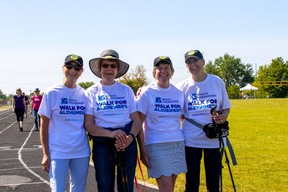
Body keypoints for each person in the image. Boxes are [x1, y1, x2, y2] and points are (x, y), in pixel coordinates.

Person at [84, 49, 141, 192]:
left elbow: (137, 120)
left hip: (126, 140)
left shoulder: (126, 90)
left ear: (117, 70)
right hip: (103, 141)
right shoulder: (91, 92)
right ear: (99, 68)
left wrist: (130, 138)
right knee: (104, 186)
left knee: (126, 187)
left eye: (113, 66)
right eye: (105, 65)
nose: (109, 69)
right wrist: (111, 134)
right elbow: (89, 125)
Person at [177, 50, 231, 192]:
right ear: (186, 66)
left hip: (214, 139)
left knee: (213, 182)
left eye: (196, 60)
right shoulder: (182, 86)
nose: (193, 64)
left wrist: (223, 117)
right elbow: (180, 114)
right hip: (190, 140)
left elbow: (226, 108)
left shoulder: (216, 81)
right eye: (189, 62)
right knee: (192, 182)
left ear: (203, 62)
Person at [38, 54, 90, 192]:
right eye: (69, 66)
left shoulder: (84, 94)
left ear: (81, 71)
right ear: (63, 68)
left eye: (77, 67)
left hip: (81, 151)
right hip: (58, 152)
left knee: (78, 190)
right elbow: (43, 126)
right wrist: (45, 154)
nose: (73, 70)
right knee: (58, 189)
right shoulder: (52, 93)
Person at [136, 56, 187, 192]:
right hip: (156, 144)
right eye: (160, 68)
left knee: (170, 186)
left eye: (167, 68)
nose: (163, 71)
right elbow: (138, 124)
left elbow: (182, 117)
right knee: (166, 189)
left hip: (177, 143)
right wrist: (142, 149)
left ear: (172, 71)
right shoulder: (147, 92)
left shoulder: (178, 93)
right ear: (154, 72)